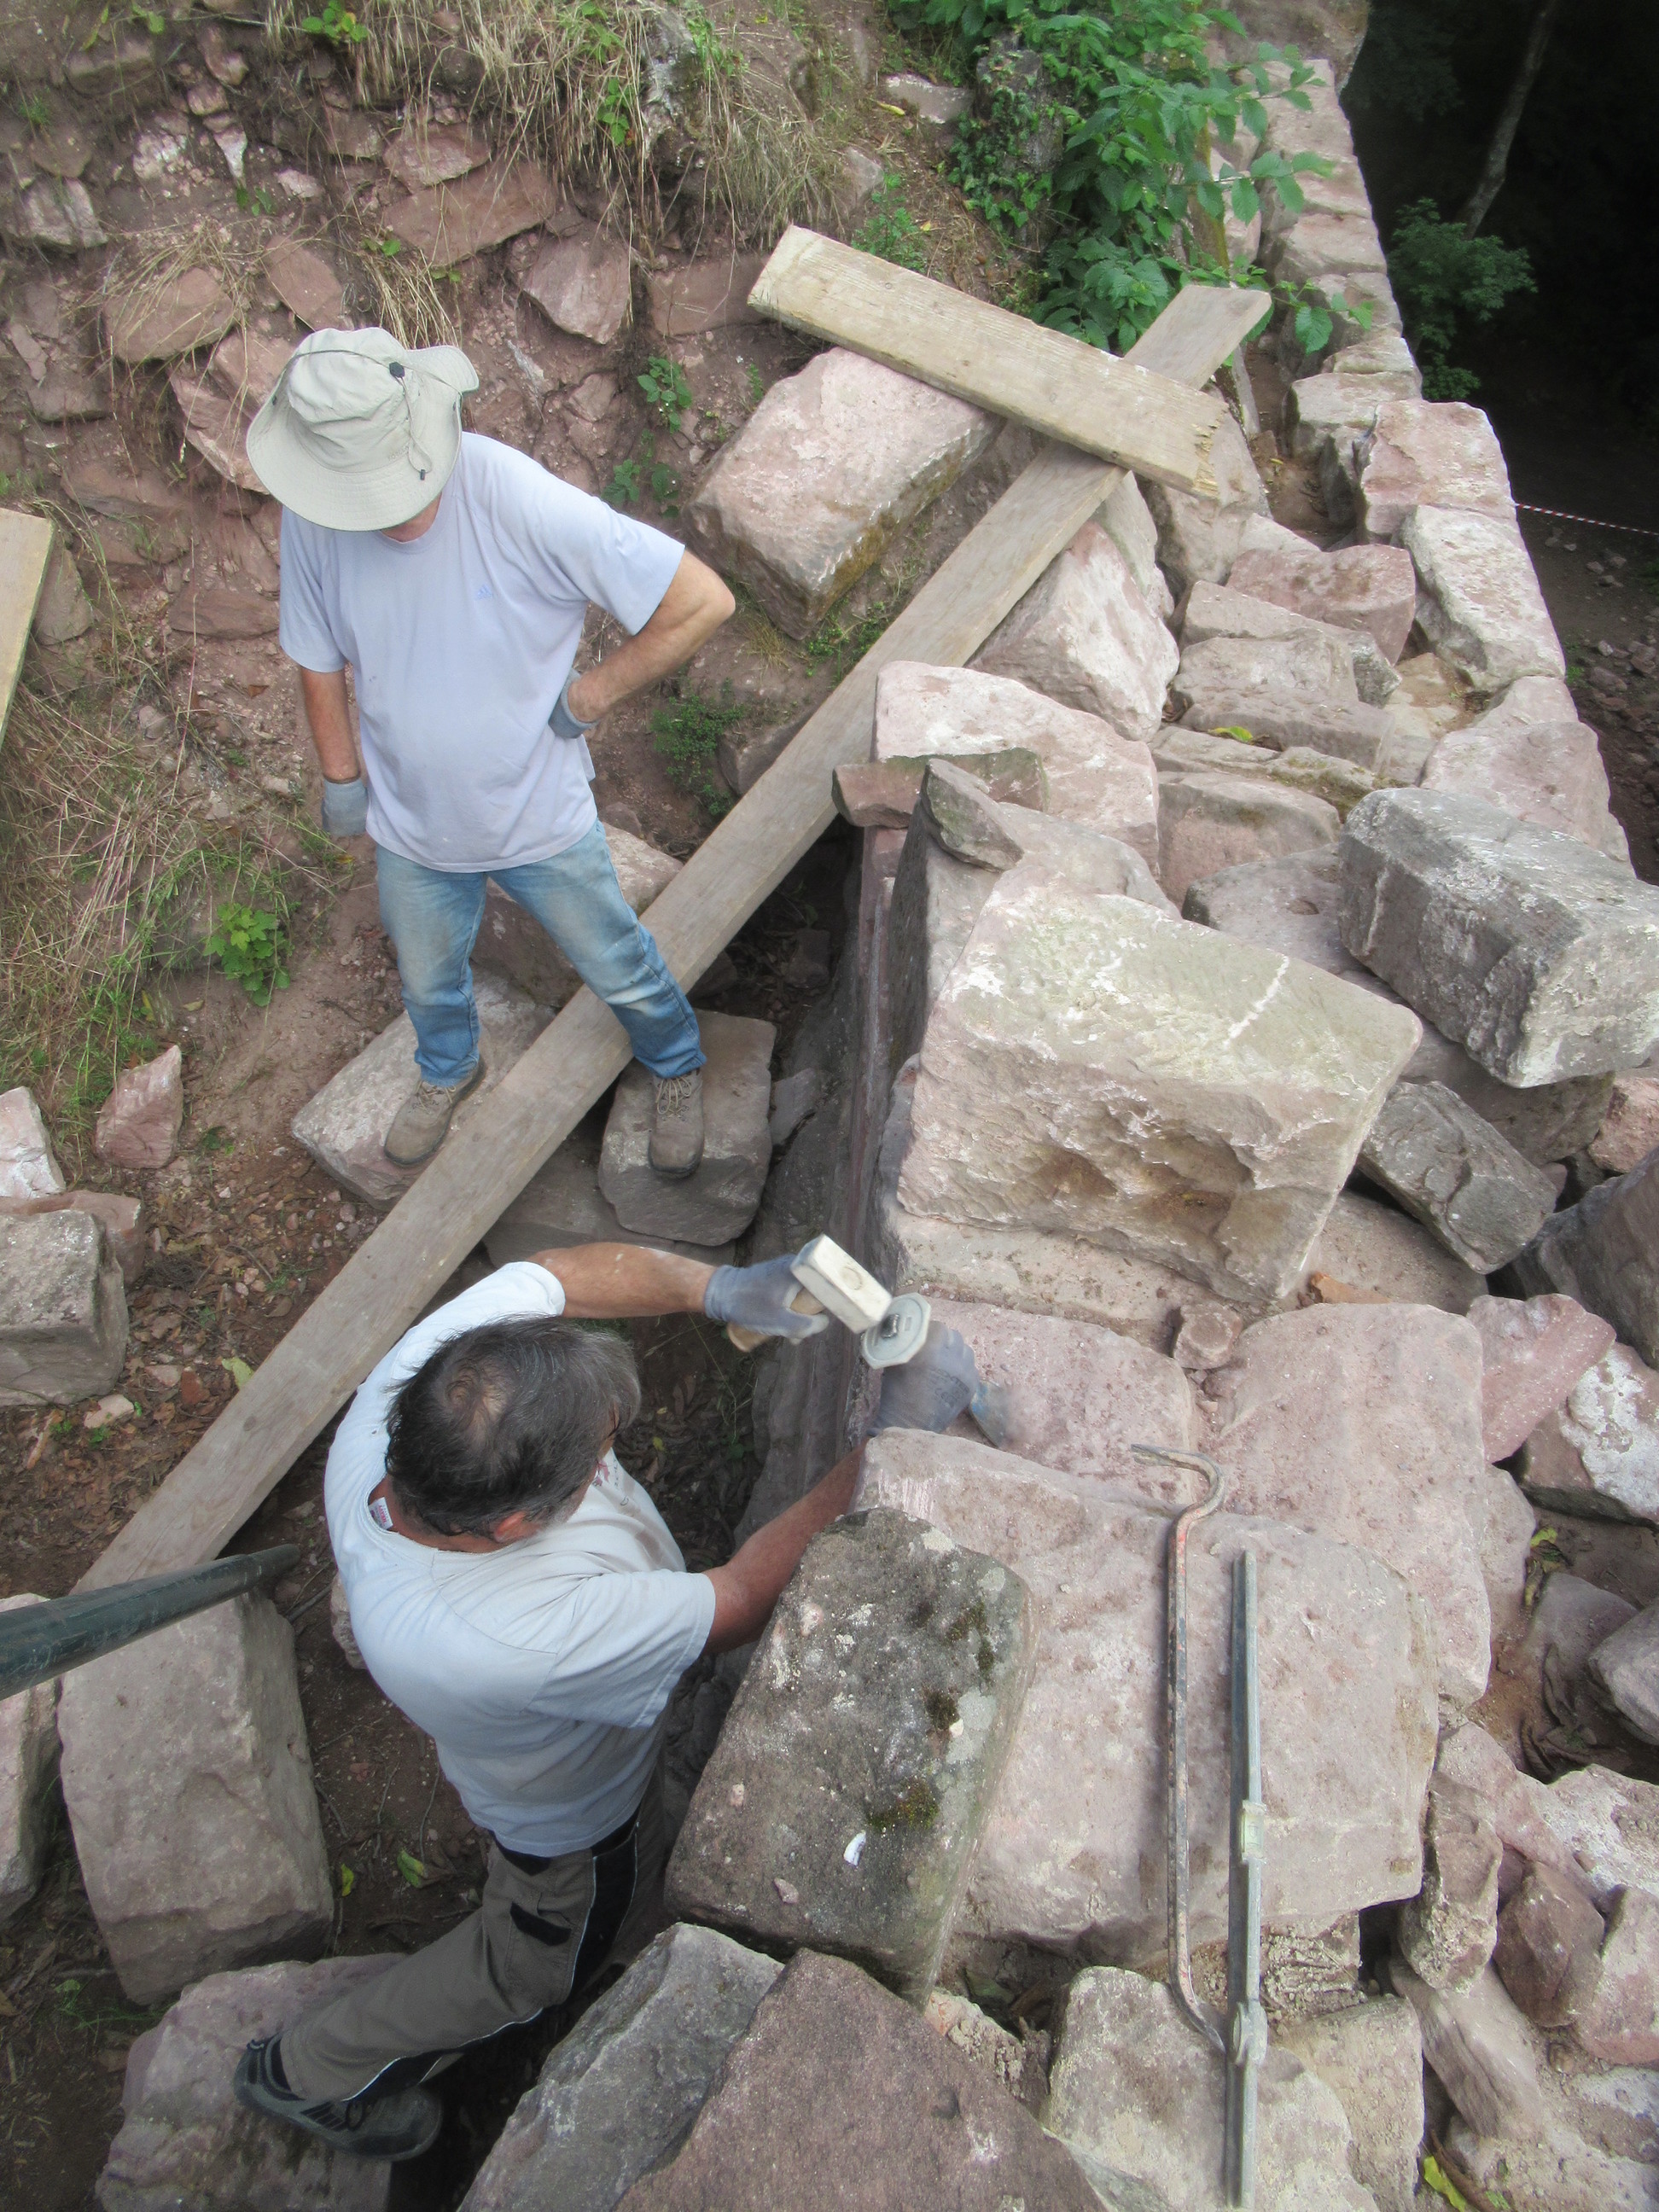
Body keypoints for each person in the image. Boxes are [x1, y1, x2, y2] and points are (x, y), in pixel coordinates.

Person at [231, 1242, 980, 2161]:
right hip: (578, 1835)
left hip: (547, 1734)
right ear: (514, 1524)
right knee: (535, 1968)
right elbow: (742, 1596)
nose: (606, 1465)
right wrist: (892, 1445)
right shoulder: (503, 1637)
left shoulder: (440, 1393)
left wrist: (720, 1288)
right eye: (595, 1463)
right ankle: (308, 2073)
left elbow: (555, 1275)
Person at [246, 326, 734, 1179]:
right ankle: (449, 1069)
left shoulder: (515, 497)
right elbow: (316, 659)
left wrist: (586, 698)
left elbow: (700, 601)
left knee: (615, 961)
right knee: (428, 980)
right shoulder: (316, 517)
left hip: (535, 810)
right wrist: (342, 779)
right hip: (411, 823)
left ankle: (675, 1062)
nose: (374, 512)